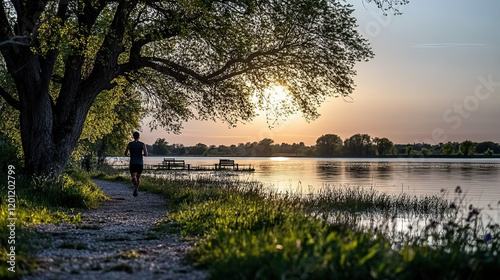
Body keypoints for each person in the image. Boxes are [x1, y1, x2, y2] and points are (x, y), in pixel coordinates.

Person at [124, 131, 148, 197]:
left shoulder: (130, 144)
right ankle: (136, 188)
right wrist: (141, 154)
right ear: (139, 137)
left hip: (132, 162)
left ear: (133, 136)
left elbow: (125, 153)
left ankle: (135, 183)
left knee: (133, 176)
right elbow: (146, 154)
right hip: (139, 163)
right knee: (138, 177)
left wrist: (129, 154)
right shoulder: (142, 144)